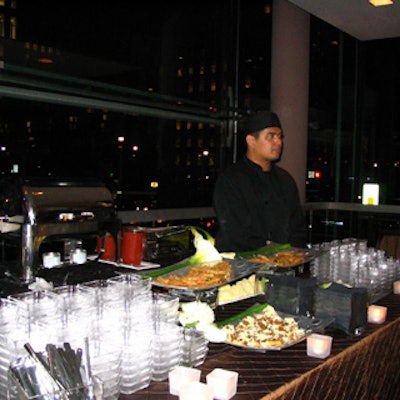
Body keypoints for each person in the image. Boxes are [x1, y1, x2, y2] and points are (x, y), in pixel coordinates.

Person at [212, 110, 306, 252]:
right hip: (242, 264)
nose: (278, 142)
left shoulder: (285, 179)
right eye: (271, 136)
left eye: (280, 137)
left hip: (282, 264)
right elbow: (235, 233)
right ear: (251, 141)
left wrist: (293, 254)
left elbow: (297, 227)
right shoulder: (231, 179)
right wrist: (273, 253)